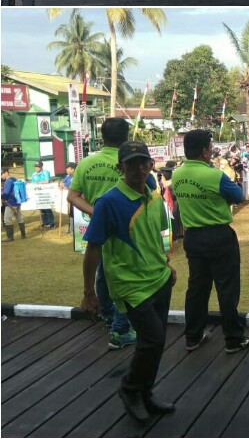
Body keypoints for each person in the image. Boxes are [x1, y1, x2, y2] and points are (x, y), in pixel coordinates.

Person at [80, 141, 176, 423]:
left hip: (158, 278)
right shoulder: (109, 202)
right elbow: (93, 248)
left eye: (143, 162)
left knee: (156, 343)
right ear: (120, 168)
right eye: (131, 163)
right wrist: (89, 293)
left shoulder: (153, 196)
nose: (138, 168)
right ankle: (130, 388)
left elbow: (154, 237)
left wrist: (167, 265)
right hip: (130, 284)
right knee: (152, 339)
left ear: (150, 165)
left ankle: (146, 393)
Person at [172, 129, 249, 354]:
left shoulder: (177, 175)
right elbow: (238, 196)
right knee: (227, 289)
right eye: (209, 146)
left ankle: (193, 336)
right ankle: (234, 339)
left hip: (193, 237)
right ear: (205, 151)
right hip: (219, 236)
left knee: (197, 288)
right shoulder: (214, 175)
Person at [68, 118, 145, 349]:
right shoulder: (131, 162)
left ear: (102, 136)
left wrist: (96, 212)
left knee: (103, 273)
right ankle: (121, 327)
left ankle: (110, 316)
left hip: (100, 227)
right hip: (129, 227)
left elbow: (72, 196)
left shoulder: (87, 163)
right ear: (127, 136)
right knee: (129, 273)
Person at [2, 167, 26, 241]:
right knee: (19, 218)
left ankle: (10, 237)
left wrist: (2, 196)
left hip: (10, 203)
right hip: (17, 202)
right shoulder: (14, 179)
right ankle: (23, 235)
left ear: (6, 173)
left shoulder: (8, 181)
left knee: (7, 219)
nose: (1, 175)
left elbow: (6, 194)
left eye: (2, 173)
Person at [31, 160, 55, 228]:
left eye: (38, 166)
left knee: (47, 208)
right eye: (35, 166)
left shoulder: (46, 172)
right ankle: (45, 223)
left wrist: (38, 183)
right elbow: (33, 184)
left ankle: (52, 223)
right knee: (41, 208)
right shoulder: (33, 174)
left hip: (46, 193)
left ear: (41, 166)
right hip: (38, 193)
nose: (36, 168)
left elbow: (47, 181)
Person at [60, 162, 76, 234]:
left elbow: (69, 187)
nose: (66, 169)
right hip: (69, 198)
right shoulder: (68, 176)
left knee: (74, 213)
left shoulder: (76, 177)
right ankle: (70, 229)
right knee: (70, 213)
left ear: (73, 169)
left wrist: (63, 185)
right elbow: (62, 183)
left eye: (68, 168)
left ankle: (73, 229)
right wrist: (61, 185)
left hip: (76, 199)